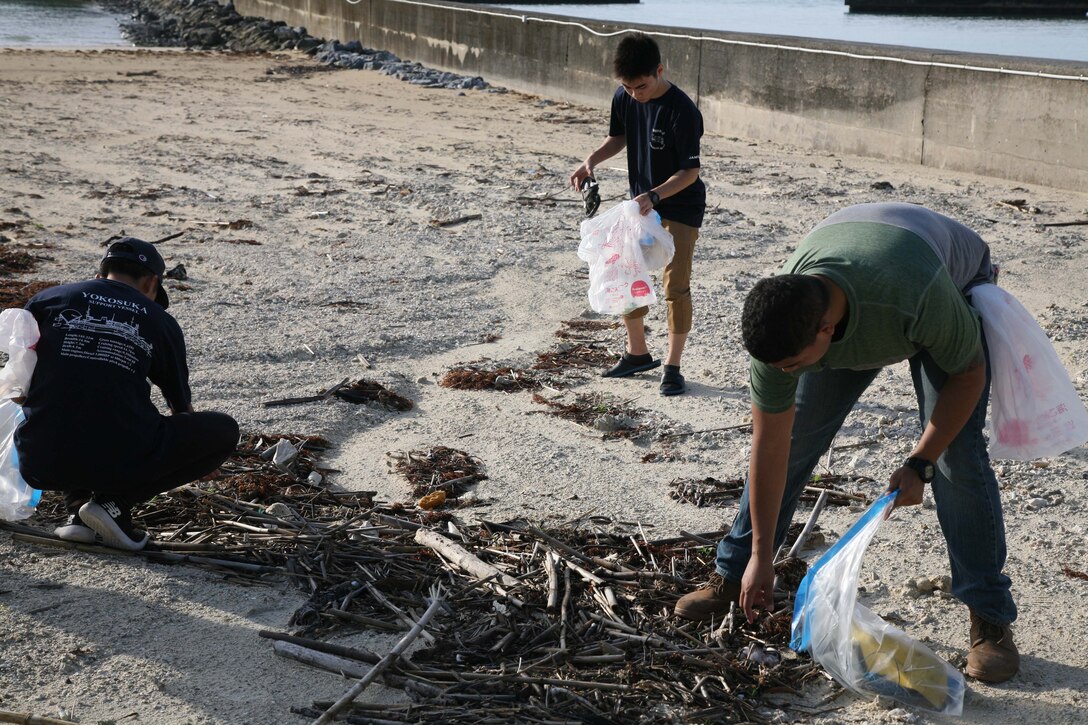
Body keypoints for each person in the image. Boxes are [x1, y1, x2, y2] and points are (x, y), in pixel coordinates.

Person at [674, 202, 1020, 683]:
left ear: (827, 331)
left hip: (941, 275)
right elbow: (770, 449)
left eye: (794, 366)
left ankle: (990, 619)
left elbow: (968, 374)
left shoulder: (913, 296)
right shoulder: (782, 329)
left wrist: (920, 461)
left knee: (956, 459)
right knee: (795, 442)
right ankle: (732, 575)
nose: (786, 374)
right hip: (858, 252)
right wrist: (759, 556)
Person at [15, 237, 239, 551]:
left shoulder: (47, 300)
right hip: (118, 459)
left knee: (69, 399)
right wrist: (199, 455)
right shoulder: (159, 321)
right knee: (223, 430)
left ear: (98, 275)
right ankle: (115, 504)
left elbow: (18, 373)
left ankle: (78, 515)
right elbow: (181, 409)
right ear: (151, 282)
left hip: (38, 460)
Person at [569, 32, 706, 396]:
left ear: (659, 71)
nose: (634, 94)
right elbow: (619, 137)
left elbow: (690, 172)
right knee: (623, 271)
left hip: (679, 206)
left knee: (675, 287)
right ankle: (637, 353)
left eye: (641, 86)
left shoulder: (683, 111)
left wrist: (656, 195)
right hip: (641, 205)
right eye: (627, 88)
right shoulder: (625, 96)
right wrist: (591, 160)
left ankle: (673, 367)